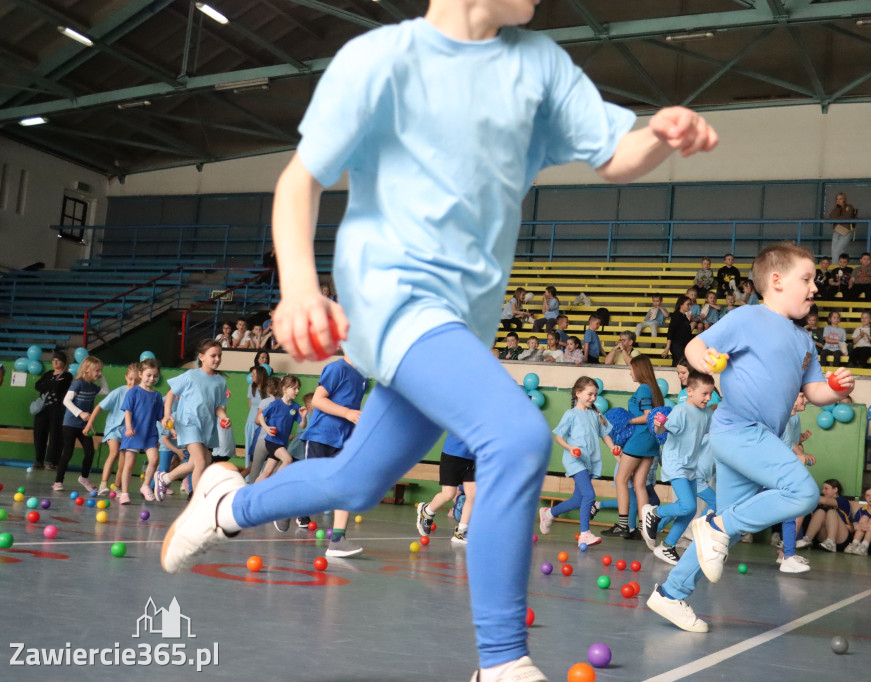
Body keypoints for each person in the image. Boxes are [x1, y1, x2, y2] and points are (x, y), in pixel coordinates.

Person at [158, 2, 718, 677]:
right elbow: (300, 179)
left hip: (457, 326)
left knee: (357, 481)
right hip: (389, 297)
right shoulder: (381, 60)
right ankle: (502, 661)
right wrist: (301, 288)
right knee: (514, 437)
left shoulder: (538, 65)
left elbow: (615, 154)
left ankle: (228, 502)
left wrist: (659, 134)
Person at [646, 242, 854, 635]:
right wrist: (704, 358)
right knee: (803, 495)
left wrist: (837, 390)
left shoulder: (804, 342)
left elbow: (815, 392)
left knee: (727, 528)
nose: (814, 288)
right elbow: (694, 345)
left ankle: (672, 593)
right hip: (738, 429)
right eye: (806, 279)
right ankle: (717, 527)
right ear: (776, 281)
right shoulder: (746, 318)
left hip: (755, 439)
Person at [289, 355, 365, 555]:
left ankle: (338, 540)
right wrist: (348, 413)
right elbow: (318, 400)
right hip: (321, 437)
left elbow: (353, 410)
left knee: (345, 487)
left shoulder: (362, 375)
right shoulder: (337, 368)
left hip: (344, 441)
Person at [642, 370, 715, 565]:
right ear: (689, 391)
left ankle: (667, 547)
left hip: (691, 466)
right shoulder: (681, 411)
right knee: (688, 505)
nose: (707, 398)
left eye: (710, 394)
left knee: (690, 512)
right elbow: (662, 429)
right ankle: (654, 513)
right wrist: (658, 425)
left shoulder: (706, 413)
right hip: (676, 464)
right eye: (704, 394)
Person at [540, 376, 619, 547]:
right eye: (590, 394)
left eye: (595, 395)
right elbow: (559, 438)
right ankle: (585, 533)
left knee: (578, 499)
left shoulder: (595, 415)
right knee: (589, 495)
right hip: (574, 460)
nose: (593, 398)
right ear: (578, 394)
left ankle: (549, 513)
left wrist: (613, 449)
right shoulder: (571, 414)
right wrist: (570, 448)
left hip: (589, 461)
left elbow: (605, 435)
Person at [154, 339, 230, 499]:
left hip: (206, 426)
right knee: (201, 461)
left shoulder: (220, 381)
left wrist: (224, 417)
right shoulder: (191, 376)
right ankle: (197, 500)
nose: (217, 359)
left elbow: (218, 407)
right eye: (213, 355)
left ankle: (165, 478)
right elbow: (171, 393)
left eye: (220, 356)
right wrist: (167, 414)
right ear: (201, 357)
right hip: (188, 423)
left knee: (202, 461)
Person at [602, 356, 664, 538]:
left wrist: (626, 420)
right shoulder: (653, 388)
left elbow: (648, 416)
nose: (630, 373)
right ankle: (643, 527)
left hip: (640, 438)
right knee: (640, 484)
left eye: (631, 369)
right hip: (651, 440)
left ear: (639, 369)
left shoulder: (644, 388)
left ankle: (622, 525)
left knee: (621, 479)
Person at [53, 355, 109, 492]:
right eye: (97, 371)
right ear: (87, 370)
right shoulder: (77, 383)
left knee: (90, 451)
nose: (99, 373)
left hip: (85, 426)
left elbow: (106, 391)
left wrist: (101, 378)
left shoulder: (92, 386)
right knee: (67, 452)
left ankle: (84, 478)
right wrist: (80, 413)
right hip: (70, 424)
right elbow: (66, 401)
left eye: (100, 371)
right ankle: (58, 481)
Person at [86, 362, 140, 495]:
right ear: (126, 377)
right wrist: (89, 423)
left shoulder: (140, 394)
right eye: (131, 379)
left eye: (137, 380)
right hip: (114, 428)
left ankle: (117, 486)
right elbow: (99, 406)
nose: (133, 382)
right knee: (114, 452)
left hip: (128, 431)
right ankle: (103, 484)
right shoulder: (119, 392)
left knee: (124, 461)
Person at [776, 392, 815, 574]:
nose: (806, 400)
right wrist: (797, 458)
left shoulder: (793, 418)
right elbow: (772, 447)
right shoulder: (776, 417)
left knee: (792, 508)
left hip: (780, 473)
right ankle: (711, 531)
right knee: (732, 508)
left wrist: (800, 452)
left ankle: (787, 556)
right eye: (801, 396)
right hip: (764, 472)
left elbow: (790, 442)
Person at [417, 434, 477, 545]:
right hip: (453, 454)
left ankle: (461, 532)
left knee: (472, 495)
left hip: (474, 458)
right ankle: (427, 510)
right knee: (448, 494)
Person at [118, 358, 164, 504]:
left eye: (155, 376)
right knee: (129, 464)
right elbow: (128, 411)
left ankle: (145, 486)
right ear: (140, 374)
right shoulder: (133, 392)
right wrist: (129, 426)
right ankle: (124, 493)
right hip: (133, 433)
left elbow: (160, 417)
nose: (152, 378)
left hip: (150, 434)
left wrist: (169, 425)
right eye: (148, 375)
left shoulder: (157, 396)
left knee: (155, 459)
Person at [253, 375, 305, 483]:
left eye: (298, 388)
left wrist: (303, 417)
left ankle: (253, 491)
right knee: (288, 459)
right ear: (285, 389)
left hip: (282, 443)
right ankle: (274, 484)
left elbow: (302, 425)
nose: (297, 391)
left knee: (267, 472)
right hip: (272, 441)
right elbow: (260, 416)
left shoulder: (295, 407)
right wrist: (266, 428)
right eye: (294, 388)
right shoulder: (275, 404)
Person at [33, 352, 72, 471]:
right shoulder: (49, 373)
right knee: (39, 433)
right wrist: (53, 383)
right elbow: (38, 385)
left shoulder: (67, 375)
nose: (55, 362)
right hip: (43, 408)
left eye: (58, 360)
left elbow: (59, 387)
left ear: (64, 363)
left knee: (56, 434)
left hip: (57, 408)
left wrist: (49, 384)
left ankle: (53, 462)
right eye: (54, 360)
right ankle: (39, 460)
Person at [801, 479, 855, 552]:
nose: (823, 491)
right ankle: (807, 539)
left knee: (831, 512)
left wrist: (804, 494)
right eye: (823, 489)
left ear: (835, 489)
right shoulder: (820, 505)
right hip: (823, 539)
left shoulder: (842, 500)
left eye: (826, 488)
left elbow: (826, 501)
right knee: (820, 512)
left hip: (841, 538)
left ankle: (831, 542)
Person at [243, 365, 270, 473]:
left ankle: (261, 474)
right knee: (249, 449)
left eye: (254, 373)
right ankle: (249, 476)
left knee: (260, 450)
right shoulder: (251, 387)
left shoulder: (268, 388)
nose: (252, 376)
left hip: (263, 423)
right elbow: (251, 404)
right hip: (251, 422)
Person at [845, 485, 871, 555]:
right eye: (868, 495)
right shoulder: (861, 511)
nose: (870, 498)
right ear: (865, 497)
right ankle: (855, 544)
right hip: (859, 544)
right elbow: (854, 526)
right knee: (864, 518)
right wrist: (857, 526)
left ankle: (865, 546)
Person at [661, 295, 694, 366]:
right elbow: (670, 332)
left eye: (690, 304)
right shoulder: (676, 316)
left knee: (681, 364)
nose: (690, 306)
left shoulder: (684, 317)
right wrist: (667, 348)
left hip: (684, 345)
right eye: (688, 304)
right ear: (681, 305)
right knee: (680, 364)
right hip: (677, 345)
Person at [829, 192, 857, 264]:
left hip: (845, 231)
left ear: (844, 200)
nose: (838, 200)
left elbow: (846, 217)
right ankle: (836, 268)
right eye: (837, 199)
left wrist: (837, 219)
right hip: (836, 230)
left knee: (837, 251)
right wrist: (838, 209)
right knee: (833, 251)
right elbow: (831, 218)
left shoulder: (849, 207)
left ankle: (835, 268)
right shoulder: (836, 209)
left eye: (840, 199)